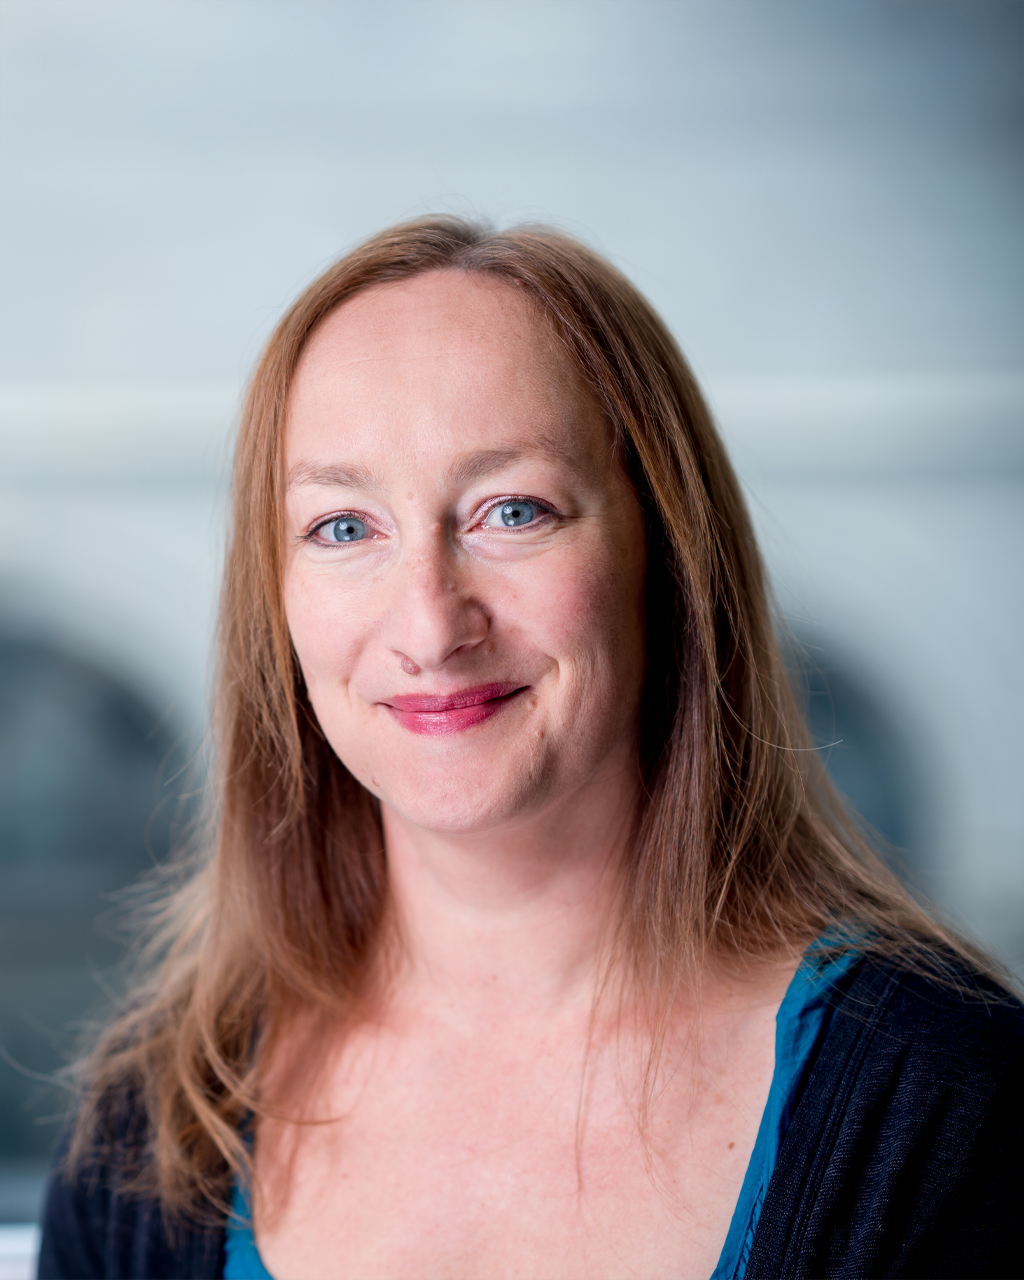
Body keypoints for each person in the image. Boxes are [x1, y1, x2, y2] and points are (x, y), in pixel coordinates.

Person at [38, 218, 1022, 1280]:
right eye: (343, 527)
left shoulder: (950, 1101)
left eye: (512, 511)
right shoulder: (152, 1131)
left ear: (665, 554)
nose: (429, 625)